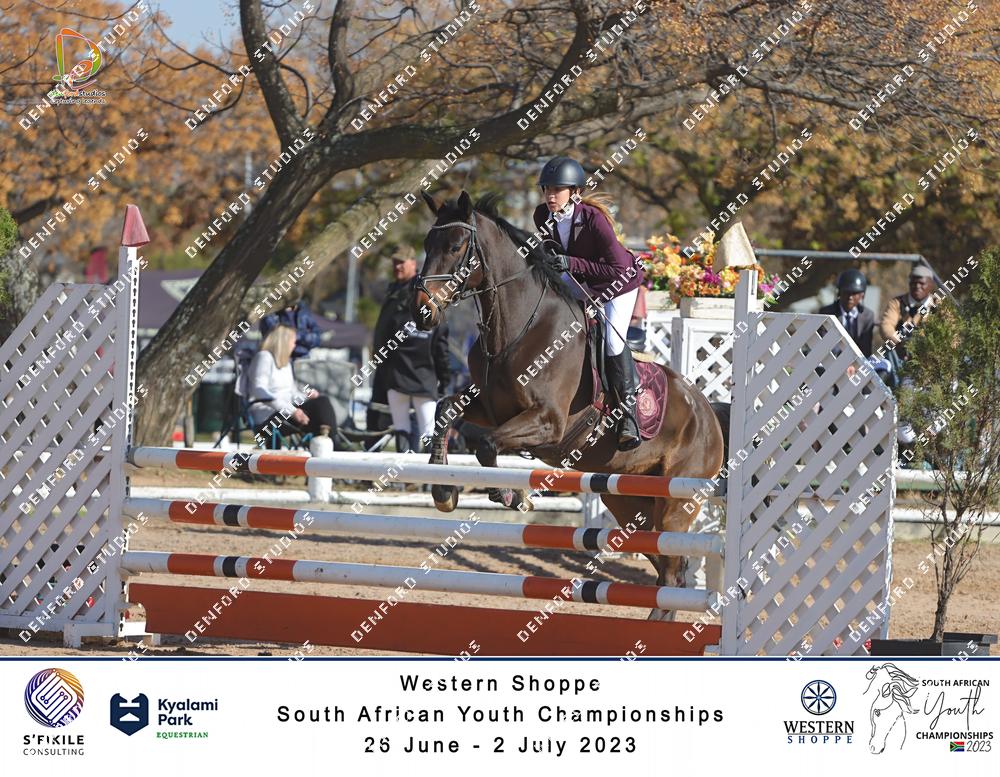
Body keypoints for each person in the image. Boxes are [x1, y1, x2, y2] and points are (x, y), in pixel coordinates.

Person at [533, 156, 644, 451]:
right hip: (582, 282)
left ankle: (628, 415)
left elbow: (616, 269)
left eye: (557, 189)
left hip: (618, 285)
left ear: (575, 192)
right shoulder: (541, 216)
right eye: (547, 189)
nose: (550, 196)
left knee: (612, 342)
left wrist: (571, 263)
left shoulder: (594, 221)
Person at [372, 249, 451, 452]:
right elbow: (441, 348)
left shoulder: (403, 301)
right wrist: (444, 381)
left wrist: (444, 380)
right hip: (411, 379)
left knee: (414, 430)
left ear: (413, 263)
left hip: (412, 379)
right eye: (394, 263)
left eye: (402, 262)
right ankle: (416, 469)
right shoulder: (398, 293)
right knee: (421, 430)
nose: (397, 267)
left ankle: (418, 468)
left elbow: (439, 347)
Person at [247, 324, 337, 444]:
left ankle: (323, 444)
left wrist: (306, 396)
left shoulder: (286, 363)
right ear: (283, 342)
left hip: (285, 412)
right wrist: (292, 411)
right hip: (266, 419)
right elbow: (259, 391)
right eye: (293, 342)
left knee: (319, 404)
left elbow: (292, 394)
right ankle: (332, 444)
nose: (294, 345)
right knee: (321, 405)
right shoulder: (264, 357)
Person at [880, 265, 937, 362]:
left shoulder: (938, 304)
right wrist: (899, 342)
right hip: (899, 355)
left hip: (930, 357)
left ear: (930, 285)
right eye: (914, 283)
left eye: (922, 283)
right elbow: (886, 325)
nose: (917, 286)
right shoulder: (897, 303)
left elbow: (951, 328)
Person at [819, 269, 875, 357]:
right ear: (839, 292)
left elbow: (866, 349)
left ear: (862, 295)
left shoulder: (867, 316)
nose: (850, 297)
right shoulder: (826, 312)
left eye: (854, 293)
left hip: (857, 361)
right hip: (830, 359)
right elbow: (823, 345)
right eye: (846, 292)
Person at [259, 291, 322, 361]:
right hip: (279, 357)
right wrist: (300, 338)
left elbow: (317, 338)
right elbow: (275, 339)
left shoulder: (304, 312)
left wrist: (297, 336)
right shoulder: (271, 315)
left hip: (302, 357)